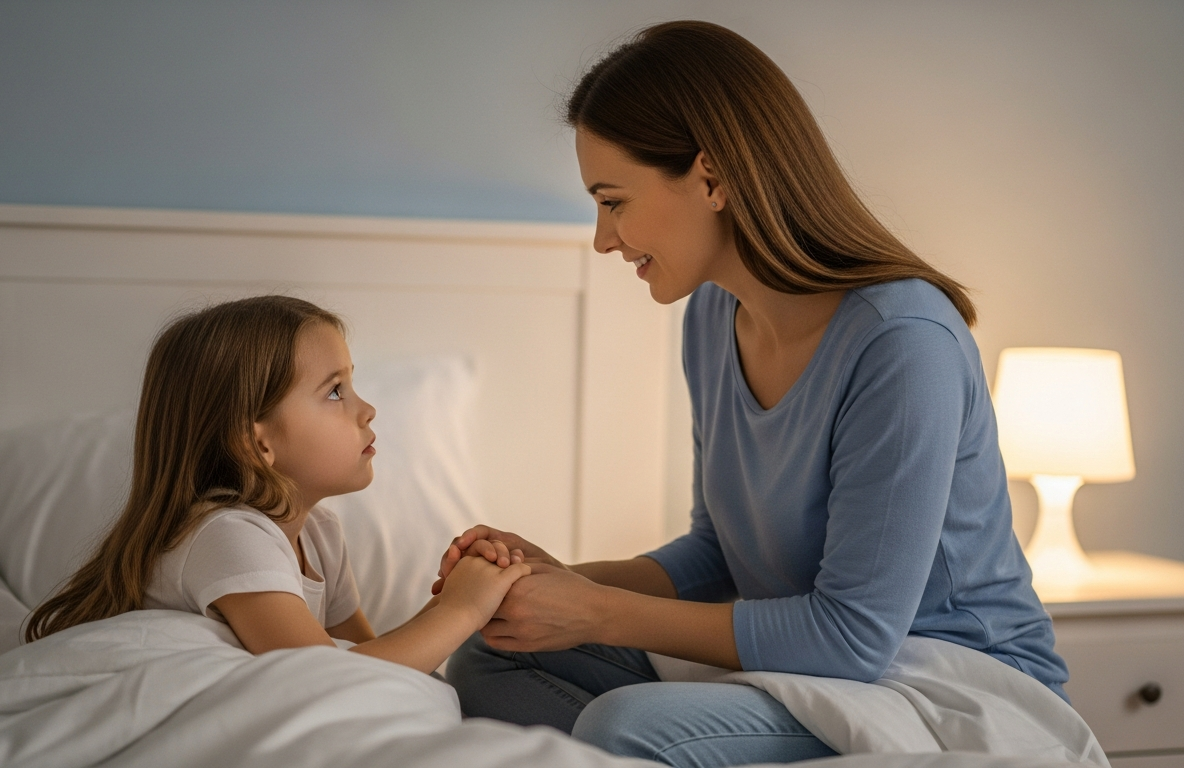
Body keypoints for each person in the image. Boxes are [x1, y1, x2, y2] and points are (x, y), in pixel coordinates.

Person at [440, 20, 1069, 768]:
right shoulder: (713, 315)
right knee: (490, 654)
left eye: (613, 201)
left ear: (711, 178)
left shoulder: (904, 343)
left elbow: (854, 636)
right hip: (808, 664)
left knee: (629, 726)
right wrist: (553, 584)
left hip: (945, 683)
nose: (604, 240)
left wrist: (596, 612)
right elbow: (718, 554)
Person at [26, 295, 530, 675]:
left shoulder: (320, 535)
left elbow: (369, 664)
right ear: (257, 442)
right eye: (335, 391)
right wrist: (463, 610)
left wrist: (448, 600)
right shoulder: (226, 536)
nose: (367, 409)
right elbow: (324, 679)